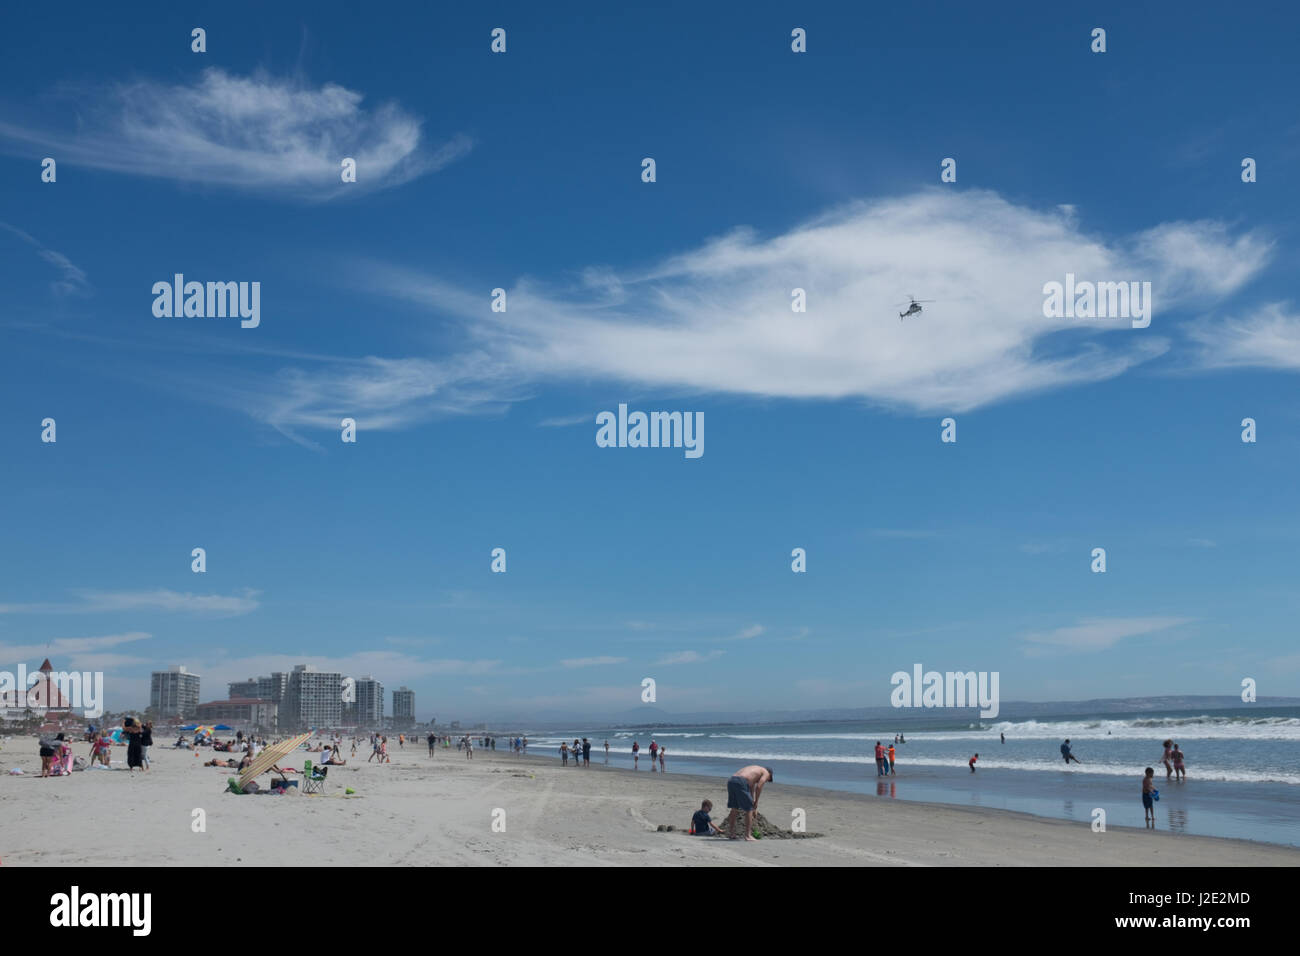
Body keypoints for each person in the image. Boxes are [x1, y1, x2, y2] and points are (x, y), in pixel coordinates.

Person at [724, 766, 774, 841]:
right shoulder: (765, 772)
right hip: (741, 782)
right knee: (749, 809)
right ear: (769, 774)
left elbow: (751, 790)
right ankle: (748, 835)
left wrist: (753, 803)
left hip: (731, 781)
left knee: (734, 808)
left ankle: (731, 833)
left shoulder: (755, 771)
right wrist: (756, 802)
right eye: (767, 780)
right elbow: (759, 787)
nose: (766, 781)